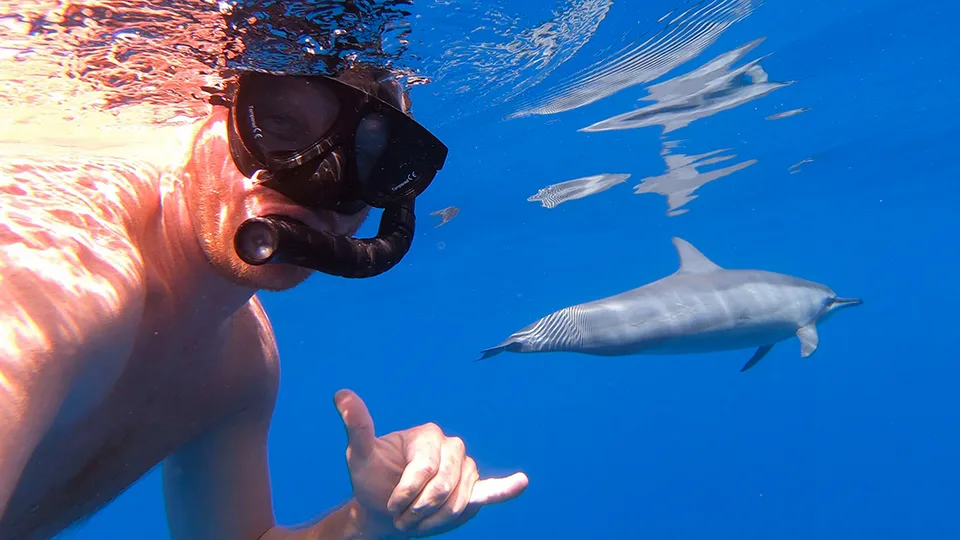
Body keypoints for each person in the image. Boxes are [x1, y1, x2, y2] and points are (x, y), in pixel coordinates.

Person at [0, 64, 528, 539]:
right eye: (277, 124)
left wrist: (366, 522)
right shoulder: (63, 274)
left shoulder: (242, 363)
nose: (316, 188)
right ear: (211, 113)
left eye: (369, 162)